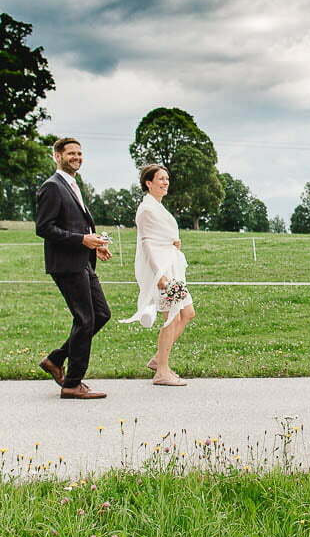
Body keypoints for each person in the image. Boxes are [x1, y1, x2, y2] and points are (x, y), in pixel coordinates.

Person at [35, 137, 112, 400]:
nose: (76, 157)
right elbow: (44, 228)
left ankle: (56, 359)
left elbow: (78, 224)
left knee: (101, 314)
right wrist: (81, 240)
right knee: (85, 319)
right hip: (66, 264)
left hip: (83, 261)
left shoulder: (72, 185)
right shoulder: (52, 187)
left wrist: (93, 244)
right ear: (57, 156)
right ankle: (72, 383)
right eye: (70, 153)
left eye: (79, 153)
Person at [119, 164, 196, 386]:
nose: (165, 182)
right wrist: (159, 276)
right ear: (148, 183)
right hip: (162, 271)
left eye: (167, 179)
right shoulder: (146, 209)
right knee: (171, 317)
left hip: (173, 267)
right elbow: (147, 244)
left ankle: (157, 359)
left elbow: (162, 236)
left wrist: (174, 241)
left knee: (187, 313)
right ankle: (162, 371)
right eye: (160, 179)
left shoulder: (159, 207)